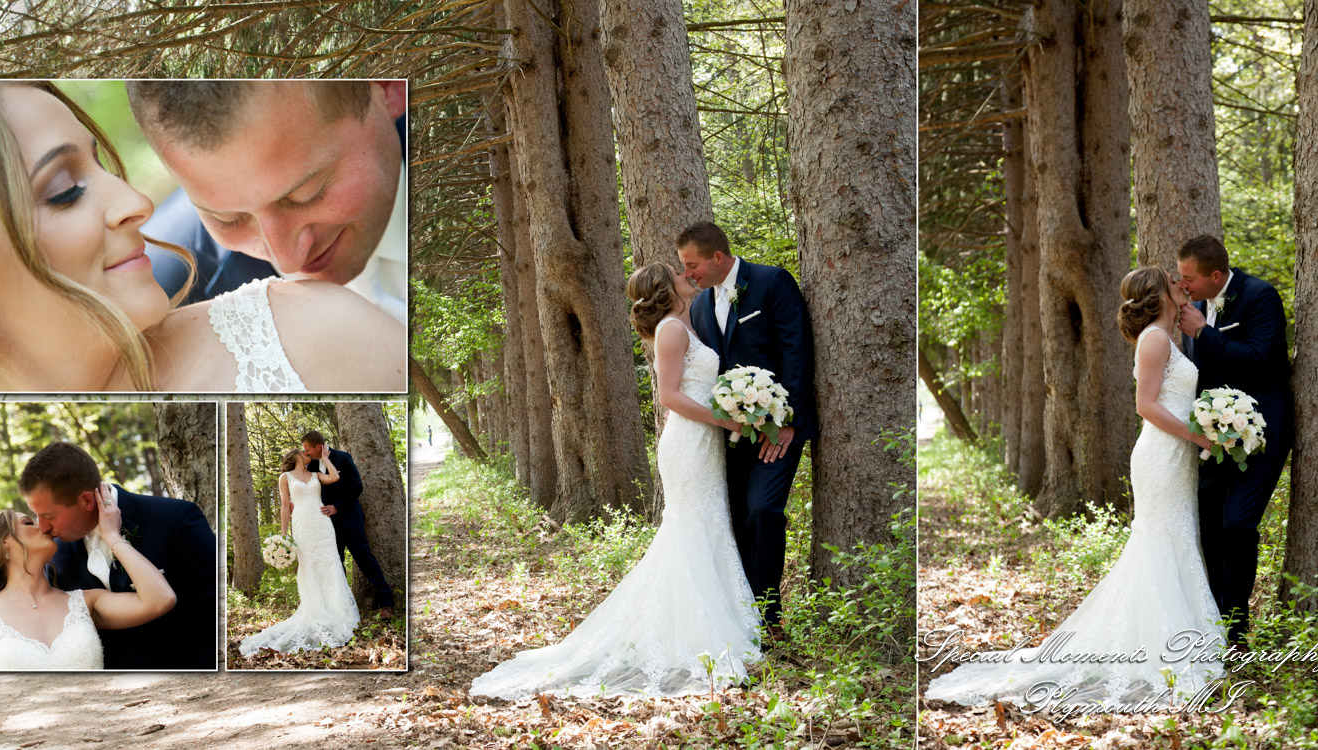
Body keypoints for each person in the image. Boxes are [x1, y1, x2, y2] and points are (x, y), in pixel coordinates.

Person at [0, 80, 404, 392]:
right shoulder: (168, 259)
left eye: (308, 192)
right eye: (65, 192)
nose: (137, 202)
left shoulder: (314, 330)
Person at [924, 267, 1225, 709]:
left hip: (1176, 456)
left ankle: (1177, 640)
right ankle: (1164, 649)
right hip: (1162, 454)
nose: (1182, 286)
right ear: (1158, 295)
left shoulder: (1168, 337)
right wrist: (1197, 436)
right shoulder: (1156, 340)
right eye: (1173, 283)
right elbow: (1146, 406)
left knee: (1176, 539)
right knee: (1162, 541)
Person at [471, 261, 760, 699]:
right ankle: (697, 638)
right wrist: (727, 421)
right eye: (680, 273)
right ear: (667, 287)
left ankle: (705, 627)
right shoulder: (672, 330)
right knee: (692, 529)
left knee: (709, 524)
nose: (689, 275)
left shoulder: (688, 323)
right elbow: (668, 395)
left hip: (703, 443)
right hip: (689, 443)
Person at [127, 81, 408, 324]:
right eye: (229, 218)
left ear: (385, 87)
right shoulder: (166, 305)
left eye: (307, 194)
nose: (287, 260)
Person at [677, 221, 816, 634]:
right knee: (734, 519)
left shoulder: (772, 282)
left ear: (717, 257)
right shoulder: (700, 307)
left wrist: (787, 421)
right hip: (728, 435)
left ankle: (770, 618)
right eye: (684, 267)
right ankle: (742, 620)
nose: (688, 274)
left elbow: (797, 351)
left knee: (764, 511)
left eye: (692, 264)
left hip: (779, 429)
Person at [1175, 234, 1294, 648]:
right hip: (1216, 437)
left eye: (1189, 277)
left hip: (1261, 435)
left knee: (1238, 524)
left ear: (1216, 275)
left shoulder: (1259, 296)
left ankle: (1237, 628)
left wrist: (1205, 332)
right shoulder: (1193, 308)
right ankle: (1214, 618)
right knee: (1207, 524)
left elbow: (1263, 358)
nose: (1183, 284)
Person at [19, 442, 217, 669]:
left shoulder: (175, 519)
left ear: (85, 500)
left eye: (49, 516)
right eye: (36, 515)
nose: (42, 527)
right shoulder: (55, 556)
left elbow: (210, 613)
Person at [0, 493, 176, 671]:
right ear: (3, 544)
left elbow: (160, 599)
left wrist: (112, 536)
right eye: (29, 522)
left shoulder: (86, 603)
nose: (44, 526)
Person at [239, 447, 360, 656]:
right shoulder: (285, 478)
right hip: (302, 525)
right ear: (294, 456)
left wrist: (324, 459)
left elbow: (334, 477)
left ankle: (338, 611)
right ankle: (316, 611)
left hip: (323, 524)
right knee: (309, 566)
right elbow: (285, 506)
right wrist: (284, 535)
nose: (307, 453)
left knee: (331, 563)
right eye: (302, 451)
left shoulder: (315, 474)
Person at [301, 431, 396, 617]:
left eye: (307, 449)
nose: (306, 453)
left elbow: (356, 486)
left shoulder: (343, 458)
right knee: (336, 564)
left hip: (350, 519)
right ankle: (342, 608)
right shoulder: (310, 465)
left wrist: (337, 506)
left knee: (365, 559)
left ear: (318, 447)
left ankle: (387, 603)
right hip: (326, 524)